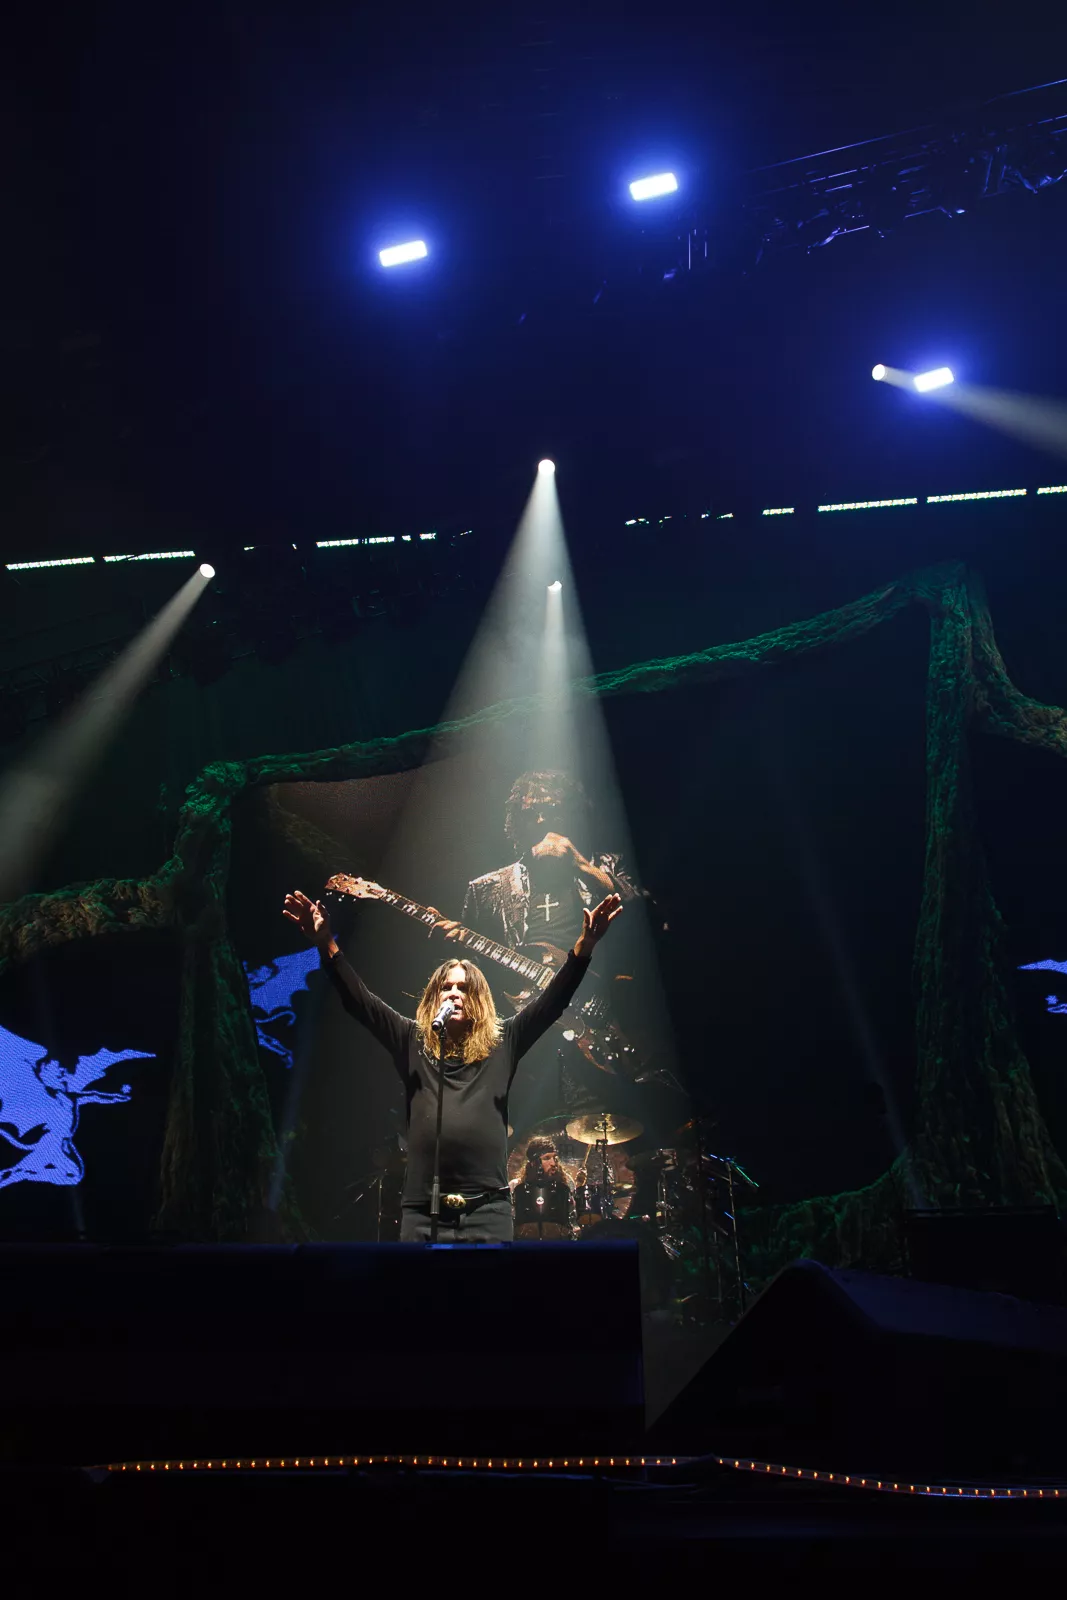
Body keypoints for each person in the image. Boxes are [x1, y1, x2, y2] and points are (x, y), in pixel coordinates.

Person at [281, 886, 624, 1243]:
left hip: (488, 1213)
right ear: (434, 998)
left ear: (479, 1000)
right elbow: (361, 1003)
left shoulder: (504, 1041)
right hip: (423, 1211)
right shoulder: (411, 1040)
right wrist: (326, 944)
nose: (455, 994)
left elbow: (553, 1002)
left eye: (464, 988)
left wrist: (585, 946)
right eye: (447, 987)